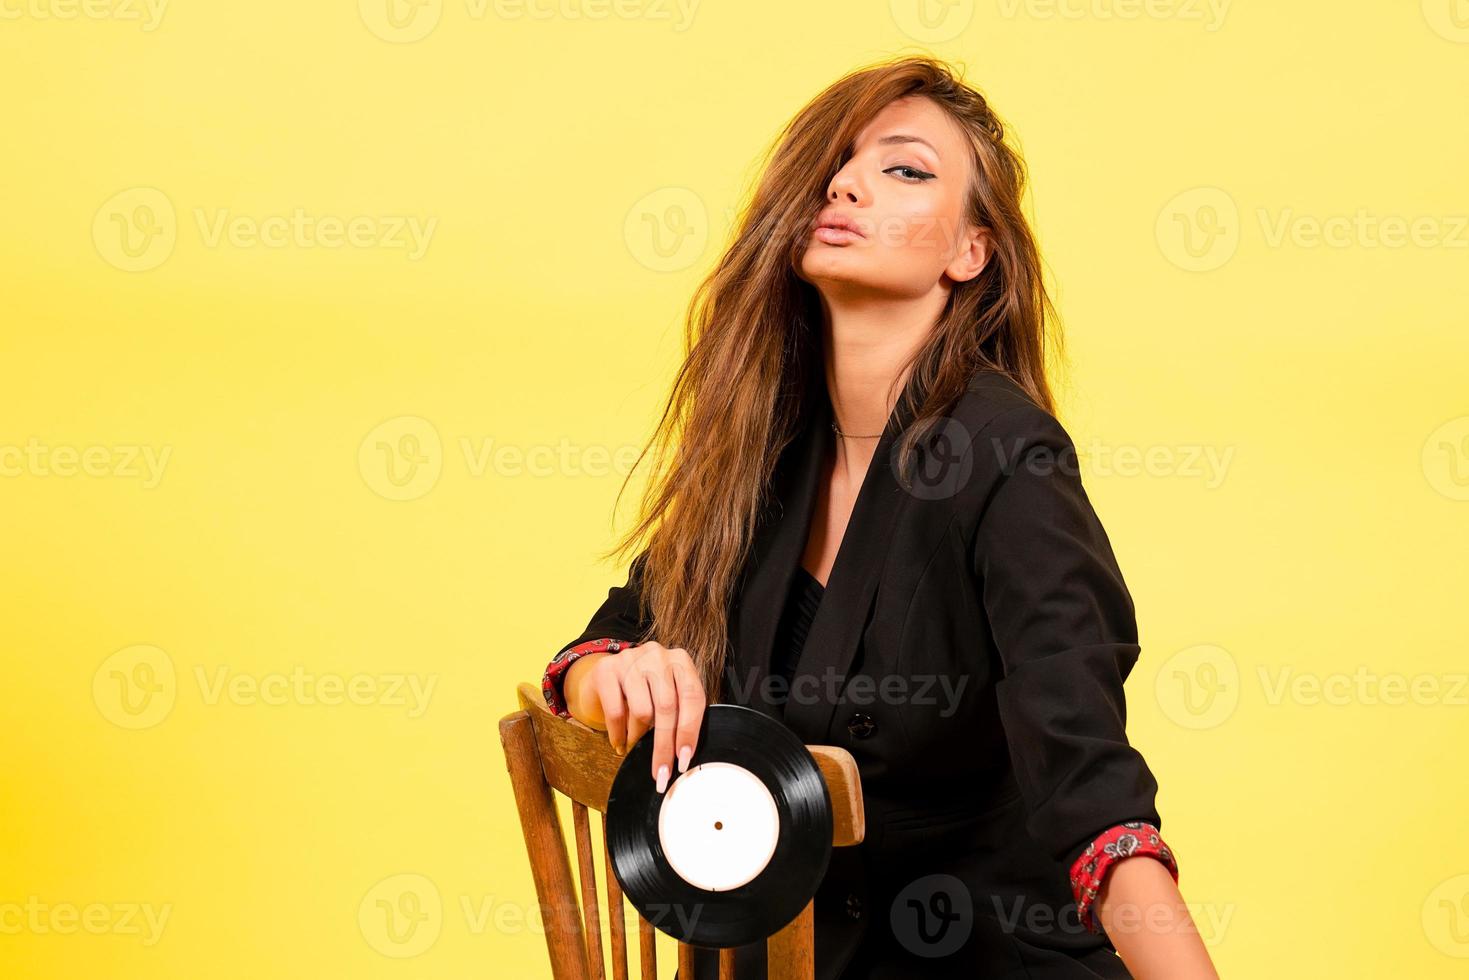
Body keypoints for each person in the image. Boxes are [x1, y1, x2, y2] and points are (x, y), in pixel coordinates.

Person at [538, 55, 1220, 980]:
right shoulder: (766, 447)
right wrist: (616, 678)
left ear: (968, 252)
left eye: (904, 169)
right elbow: (609, 639)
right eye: (837, 162)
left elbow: (1089, 780)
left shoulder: (1008, 459)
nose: (846, 183)